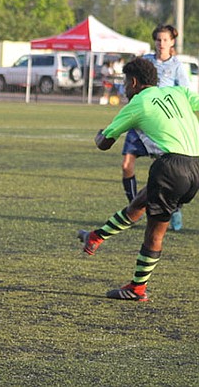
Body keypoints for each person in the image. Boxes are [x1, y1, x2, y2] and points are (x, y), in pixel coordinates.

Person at [78, 57, 199, 301]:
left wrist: (98, 135)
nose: (124, 88)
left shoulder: (137, 104)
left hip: (170, 168)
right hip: (196, 165)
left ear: (134, 82)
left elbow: (104, 143)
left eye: (124, 82)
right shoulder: (179, 92)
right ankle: (96, 237)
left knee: (155, 233)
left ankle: (137, 288)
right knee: (140, 202)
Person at [120, 24, 189, 230]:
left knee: (166, 173)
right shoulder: (146, 62)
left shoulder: (176, 66)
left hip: (161, 124)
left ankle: (174, 210)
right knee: (126, 165)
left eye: (165, 40)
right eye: (158, 40)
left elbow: (184, 94)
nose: (161, 44)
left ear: (172, 42)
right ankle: (134, 209)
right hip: (141, 118)